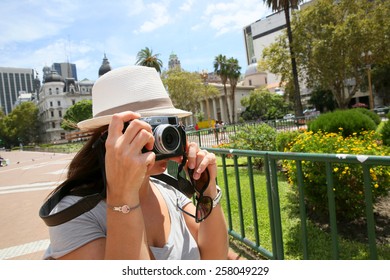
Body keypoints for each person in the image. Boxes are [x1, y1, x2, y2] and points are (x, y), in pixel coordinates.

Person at [40, 65, 228, 260]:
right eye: (148, 128)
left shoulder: (169, 191)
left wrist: (207, 189)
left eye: (168, 124)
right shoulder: (73, 215)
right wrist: (122, 195)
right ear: (109, 139)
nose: (163, 137)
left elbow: (215, 259)